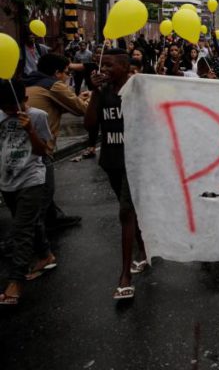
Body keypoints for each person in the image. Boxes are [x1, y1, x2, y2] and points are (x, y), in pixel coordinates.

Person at [85, 49, 147, 300]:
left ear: (124, 66)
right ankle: (143, 250)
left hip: (134, 162)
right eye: (103, 66)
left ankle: (124, 276)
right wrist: (95, 94)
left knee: (125, 212)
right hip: (111, 161)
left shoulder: (138, 91)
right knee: (130, 211)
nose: (104, 70)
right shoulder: (104, 92)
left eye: (110, 65)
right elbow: (89, 125)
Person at [0, 79, 56, 306]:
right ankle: (45, 255)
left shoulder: (37, 116)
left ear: (24, 99)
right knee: (28, 222)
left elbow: (44, 150)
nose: (12, 111)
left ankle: (15, 283)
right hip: (7, 180)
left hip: (32, 178)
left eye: (16, 105)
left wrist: (30, 129)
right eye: (6, 108)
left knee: (21, 230)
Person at [25, 53, 89, 231]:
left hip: (23, 144)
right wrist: (90, 99)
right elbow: (80, 110)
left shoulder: (29, 82)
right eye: (66, 72)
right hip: (40, 147)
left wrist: (76, 99)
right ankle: (27, 240)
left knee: (41, 189)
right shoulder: (54, 85)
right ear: (56, 72)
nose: (68, 76)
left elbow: (52, 106)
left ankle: (54, 218)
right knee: (45, 190)